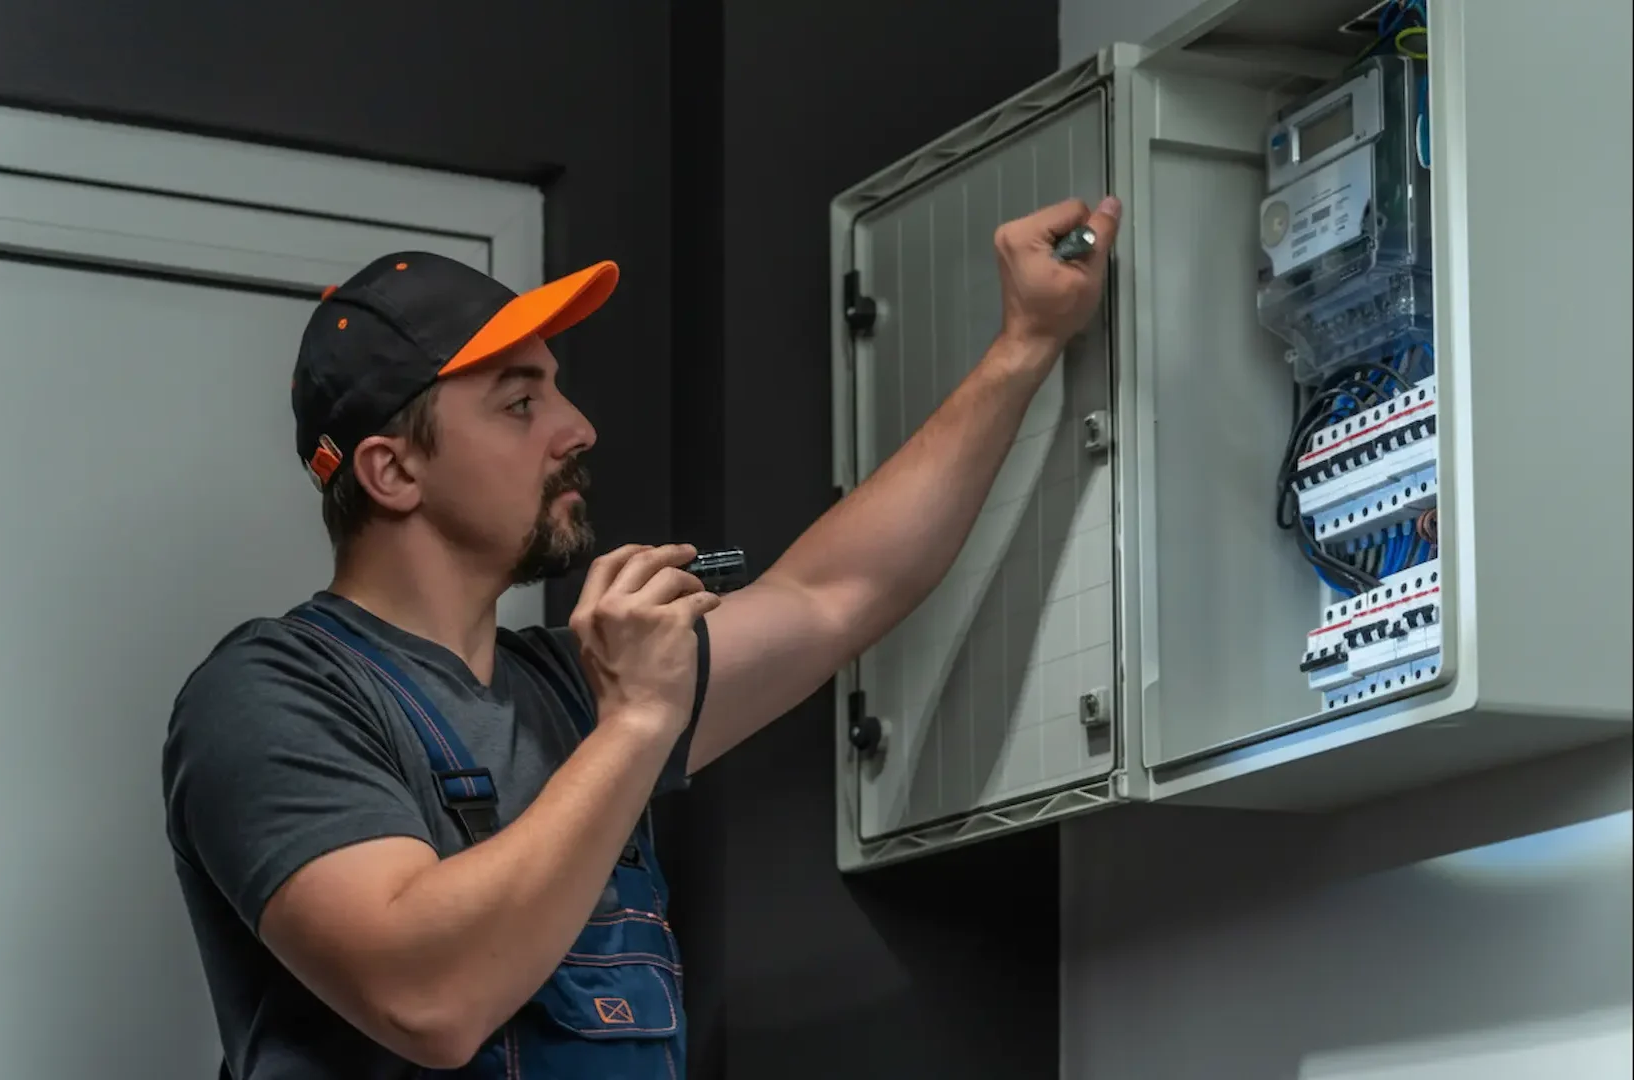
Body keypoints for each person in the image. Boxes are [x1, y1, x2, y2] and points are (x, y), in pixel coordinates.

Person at [162, 193, 1121, 1079]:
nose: (577, 427)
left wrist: (1024, 344)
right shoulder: (269, 697)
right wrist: (635, 725)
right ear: (393, 471)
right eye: (519, 401)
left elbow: (839, 591)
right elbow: (430, 998)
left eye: (557, 390)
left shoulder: (575, 688)